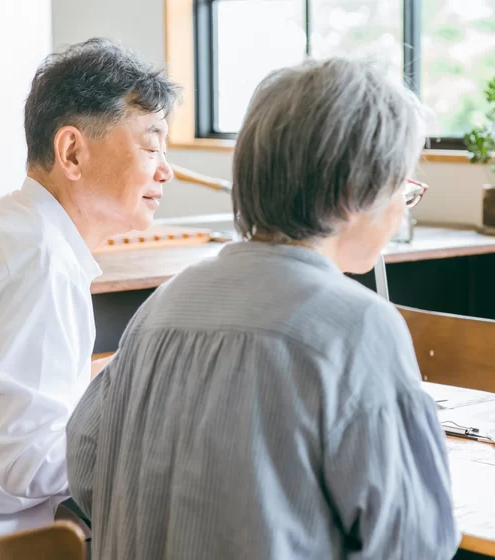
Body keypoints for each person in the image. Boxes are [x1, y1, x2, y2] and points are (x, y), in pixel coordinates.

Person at [66, 57, 459, 559]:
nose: (405, 204)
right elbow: (414, 544)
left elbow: (85, 468)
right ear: (356, 191)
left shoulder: (163, 305)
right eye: (403, 185)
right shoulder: (358, 326)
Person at [0, 38, 178, 535]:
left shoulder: (7, 226)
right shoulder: (44, 262)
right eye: (151, 145)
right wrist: (152, 438)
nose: (165, 170)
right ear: (71, 152)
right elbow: (27, 462)